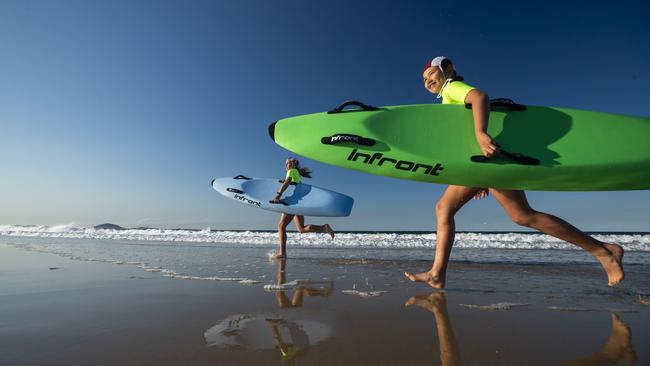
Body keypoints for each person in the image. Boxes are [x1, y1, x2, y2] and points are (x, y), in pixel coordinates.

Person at [405, 56, 625, 288]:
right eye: (423, 78)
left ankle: (604, 252)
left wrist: (481, 134)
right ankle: (437, 274)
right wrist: (474, 175)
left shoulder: (451, 87)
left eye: (430, 73)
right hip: (479, 164)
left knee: (515, 215)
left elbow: (480, 97)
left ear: (447, 69)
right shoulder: (447, 97)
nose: (426, 80)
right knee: (514, 215)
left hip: (487, 160)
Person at [271, 157, 335, 258]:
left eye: (286, 163)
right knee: (301, 229)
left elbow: (287, 182)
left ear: (290, 165)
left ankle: (282, 253)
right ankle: (324, 228)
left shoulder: (291, 171)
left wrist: (278, 194)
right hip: (299, 203)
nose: (285, 166)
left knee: (281, 226)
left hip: (292, 203)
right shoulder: (297, 173)